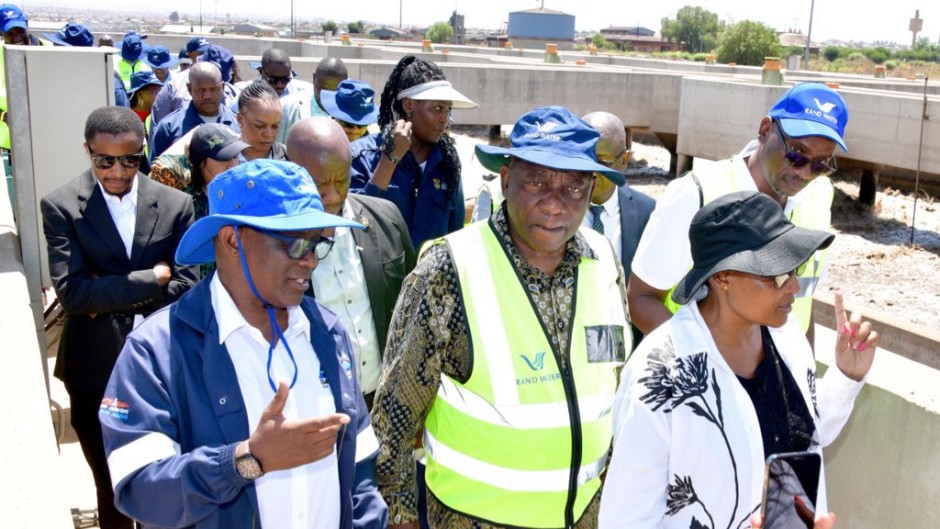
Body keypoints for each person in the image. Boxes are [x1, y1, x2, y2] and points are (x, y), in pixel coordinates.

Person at [373, 106, 630, 529]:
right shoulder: (448, 268)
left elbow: (614, 384)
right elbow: (395, 413)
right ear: (506, 180)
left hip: (585, 515)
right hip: (473, 519)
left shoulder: (603, 260)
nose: (554, 204)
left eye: (573, 186)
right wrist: (400, 516)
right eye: (537, 182)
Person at [99, 159, 388, 529]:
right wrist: (246, 460)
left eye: (318, 244)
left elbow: (360, 468)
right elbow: (140, 488)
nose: (311, 261)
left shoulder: (328, 332)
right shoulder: (156, 351)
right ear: (232, 240)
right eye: (296, 244)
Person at [598, 190, 877, 529]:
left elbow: (809, 436)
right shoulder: (659, 375)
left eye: (796, 268)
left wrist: (847, 377)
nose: (793, 286)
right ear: (722, 277)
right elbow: (626, 520)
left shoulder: (787, 339)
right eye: (776, 274)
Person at [39, 106, 198, 529]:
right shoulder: (60, 206)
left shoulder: (176, 204)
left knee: (162, 483)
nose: (117, 171)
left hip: (164, 368)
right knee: (110, 491)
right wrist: (153, 278)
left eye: (129, 159)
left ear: (142, 152)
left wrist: (104, 290)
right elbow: (73, 294)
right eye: (104, 160)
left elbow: (187, 288)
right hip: (93, 371)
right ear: (87, 151)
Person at [629, 83, 848, 345]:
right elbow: (641, 299)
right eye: (797, 153)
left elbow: (803, 307)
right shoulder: (697, 193)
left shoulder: (819, 196)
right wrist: (701, 359)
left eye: (821, 164)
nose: (805, 172)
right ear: (765, 130)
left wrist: (804, 368)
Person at [286, 116, 415, 410]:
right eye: (319, 184)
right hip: (317, 409)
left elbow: (412, 312)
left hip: (386, 401)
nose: (332, 195)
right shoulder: (274, 243)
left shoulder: (386, 219)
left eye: (341, 180)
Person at [349, 55, 477, 251]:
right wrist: (390, 159)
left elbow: (455, 233)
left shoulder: (447, 163)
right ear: (408, 105)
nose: (445, 119)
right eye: (437, 108)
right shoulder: (363, 156)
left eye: (448, 110)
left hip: (432, 271)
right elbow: (356, 225)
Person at [581, 111, 655, 347]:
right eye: (584, 157)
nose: (590, 171)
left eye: (601, 163)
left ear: (624, 161)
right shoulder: (554, 212)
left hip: (628, 345)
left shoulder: (648, 213)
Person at [149, 61, 239, 161]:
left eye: (213, 89)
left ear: (222, 88)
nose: (207, 96)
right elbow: (155, 168)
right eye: (201, 90)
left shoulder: (238, 124)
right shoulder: (168, 129)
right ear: (189, 89)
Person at [43, 22, 129, 107]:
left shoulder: (110, 84)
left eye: (58, 48)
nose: (53, 53)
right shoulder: (53, 80)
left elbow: (122, 114)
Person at [236, 79, 288, 161]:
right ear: (240, 119)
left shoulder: (292, 158)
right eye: (260, 126)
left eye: (275, 126)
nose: (269, 134)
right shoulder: (221, 158)